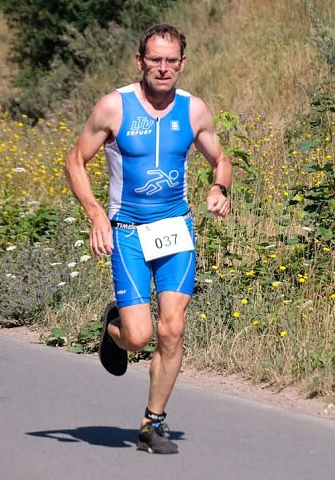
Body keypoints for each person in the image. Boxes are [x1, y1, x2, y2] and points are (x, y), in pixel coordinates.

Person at [65, 23, 232, 454]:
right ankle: (115, 328)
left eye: (171, 61)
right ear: (140, 62)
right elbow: (75, 161)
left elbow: (220, 159)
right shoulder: (113, 107)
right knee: (139, 337)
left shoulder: (194, 110)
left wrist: (220, 188)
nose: (162, 68)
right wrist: (95, 214)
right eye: (154, 60)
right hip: (128, 232)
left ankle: (152, 422)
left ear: (181, 63)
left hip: (176, 229)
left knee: (172, 328)